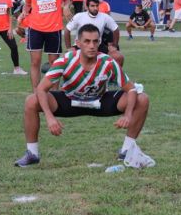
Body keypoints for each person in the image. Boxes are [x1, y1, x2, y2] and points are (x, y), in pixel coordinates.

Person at [14, 24, 151, 167]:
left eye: (95, 41)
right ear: (78, 43)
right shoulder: (65, 61)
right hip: (70, 101)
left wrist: (128, 114)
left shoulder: (108, 62)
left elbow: (131, 89)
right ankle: (32, 154)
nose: (91, 46)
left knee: (142, 99)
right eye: (86, 41)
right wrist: (49, 117)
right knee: (31, 101)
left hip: (100, 102)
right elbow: (41, 89)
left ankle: (126, 151)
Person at [24, 0, 72, 91]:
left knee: (54, 63)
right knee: (35, 62)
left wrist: (66, 6)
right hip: (35, 29)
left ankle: (54, 94)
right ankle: (36, 93)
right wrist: (23, 13)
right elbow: (27, 5)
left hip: (54, 29)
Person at [64, 0, 123, 66]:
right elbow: (67, 30)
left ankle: (114, 76)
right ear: (87, 7)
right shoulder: (79, 16)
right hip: (80, 46)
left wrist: (114, 46)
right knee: (67, 58)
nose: (95, 8)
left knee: (118, 56)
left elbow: (116, 29)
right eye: (92, 6)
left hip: (98, 45)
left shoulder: (104, 17)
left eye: (97, 6)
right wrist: (69, 48)